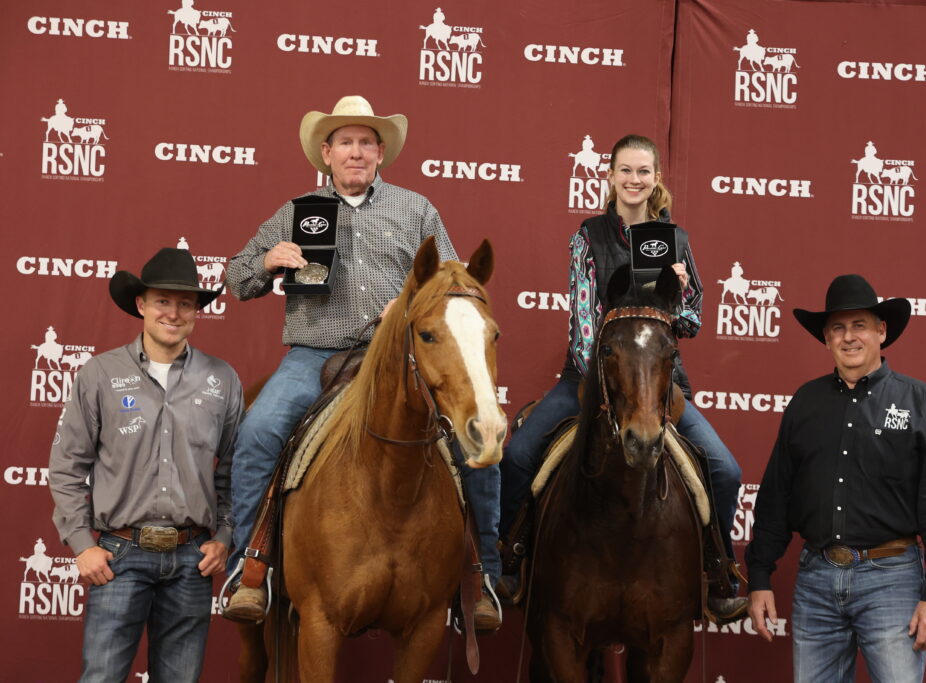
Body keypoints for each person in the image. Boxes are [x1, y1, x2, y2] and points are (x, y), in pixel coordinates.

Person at [223, 95, 502, 630]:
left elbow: (450, 284)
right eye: (345, 143)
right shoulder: (296, 209)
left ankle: (481, 574)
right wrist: (266, 261)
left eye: (366, 143)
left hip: (396, 359)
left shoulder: (416, 209)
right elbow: (236, 278)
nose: (356, 153)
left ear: (380, 154)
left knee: (476, 439)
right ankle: (249, 568)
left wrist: (408, 305)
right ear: (326, 153)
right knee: (259, 430)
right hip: (316, 354)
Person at [498, 134, 747, 622]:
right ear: (610, 177)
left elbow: (692, 320)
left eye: (643, 172)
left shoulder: (674, 238)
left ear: (656, 180)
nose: (634, 180)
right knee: (519, 456)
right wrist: (603, 384)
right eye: (626, 171)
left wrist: (678, 294)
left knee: (726, 469)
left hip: (658, 384)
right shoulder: (588, 236)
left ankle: (718, 574)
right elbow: (585, 322)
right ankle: (508, 562)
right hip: (589, 381)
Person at [745, 274, 926, 683]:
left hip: (893, 580)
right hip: (816, 579)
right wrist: (759, 577)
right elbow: (776, 496)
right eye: (837, 327)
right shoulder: (804, 402)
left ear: (882, 331)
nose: (849, 337)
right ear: (826, 338)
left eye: (859, 325)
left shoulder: (922, 403)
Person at [48, 247, 243, 683]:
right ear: (141, 304)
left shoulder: (222, 379)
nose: (173, 313)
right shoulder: (99, 374)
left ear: (196, 312)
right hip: (118, 556)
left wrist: (226, 537)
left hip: (193, 558)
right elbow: (66, 466)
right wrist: (82, 543)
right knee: (101, 677)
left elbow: (234, 471)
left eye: (185, 303)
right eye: (162, 301)